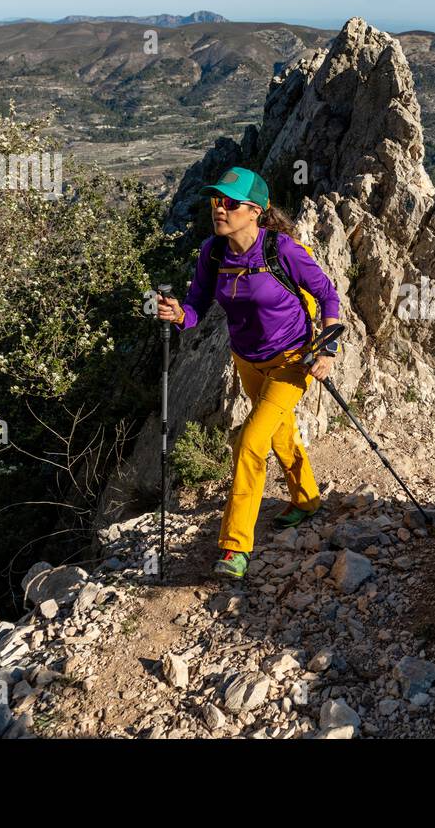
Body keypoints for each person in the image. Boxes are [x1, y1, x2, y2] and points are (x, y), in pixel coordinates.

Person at [157, 167, 341, 580]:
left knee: (249, 442)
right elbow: (195, 307)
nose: (219, 209)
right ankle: (308, 501)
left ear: (255, 211)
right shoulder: (213, 252)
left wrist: (328, 347)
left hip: (292, 361)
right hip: (246, 360)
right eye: (215, 201)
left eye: (229, 202)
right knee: (278, 432)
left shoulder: (283, 250)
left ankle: (235, 548)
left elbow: (328, 293)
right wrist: (177, 315)